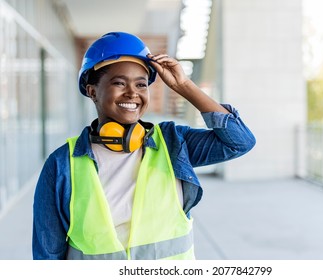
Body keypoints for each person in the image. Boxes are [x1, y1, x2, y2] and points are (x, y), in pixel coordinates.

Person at [32, 31, 256, 260]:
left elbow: (240, 141)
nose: (133, 93)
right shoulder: (62, 163)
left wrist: (184, 85)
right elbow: (47, 253)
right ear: (92, 91)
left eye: (141, 85)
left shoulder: (173, 144)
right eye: (119, 83)